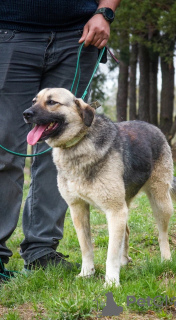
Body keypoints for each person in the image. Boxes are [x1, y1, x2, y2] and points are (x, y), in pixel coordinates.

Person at [0, 0, 121, 281]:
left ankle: (42, 251)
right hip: (9, 33)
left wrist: (105, 12)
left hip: (78, 37)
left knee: (61, 148)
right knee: (4, 150)